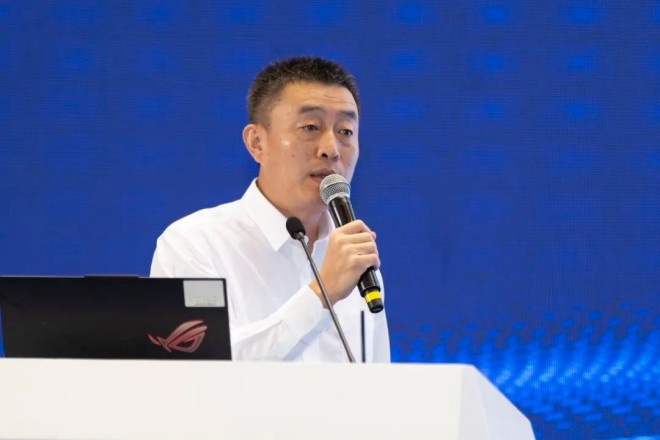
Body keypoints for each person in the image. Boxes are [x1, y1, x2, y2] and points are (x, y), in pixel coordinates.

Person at [150, 56, 390, 362]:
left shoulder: (357, 262)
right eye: (310, 127)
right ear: (257, 143)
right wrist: (322, 293)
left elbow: (379, 381)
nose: (331, 149)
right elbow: (199, 368)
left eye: (345, 131)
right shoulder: (194, 245)